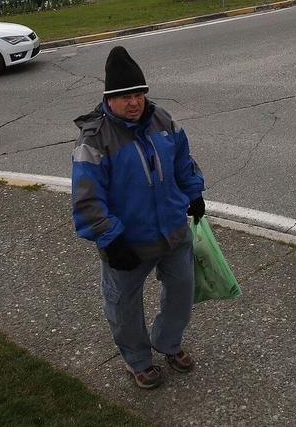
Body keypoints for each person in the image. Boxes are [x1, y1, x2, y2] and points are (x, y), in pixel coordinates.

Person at [71, 46, 206, 389]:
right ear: (108, 99)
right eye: (124, 96)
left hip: (173, 231)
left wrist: (194, 194)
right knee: (123, 305)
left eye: (138, 94)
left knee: (182, 291)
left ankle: (168, 342)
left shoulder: (164, 122)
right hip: (127, 241)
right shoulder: (94, 138)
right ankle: (138, 360)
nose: (133, 102)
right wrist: (110, 238)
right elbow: (88, 197)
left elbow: (183, 163)